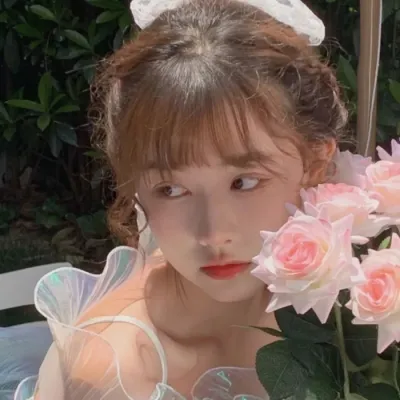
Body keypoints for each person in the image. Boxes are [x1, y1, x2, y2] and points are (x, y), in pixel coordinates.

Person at [0, 0, 347, 398]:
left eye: (245, 182)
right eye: (172, 190)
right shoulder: (114, 373)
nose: (213, 233)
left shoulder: (359, 317)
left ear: (315, 163)